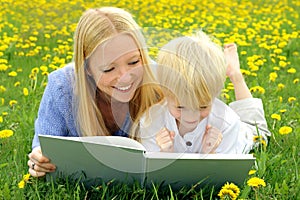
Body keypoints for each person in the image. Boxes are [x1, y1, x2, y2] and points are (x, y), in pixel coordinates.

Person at [27, 7, 163, 177]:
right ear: (87, 68)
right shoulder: (62, 87)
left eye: (134, 62)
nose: (125, 77)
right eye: (109, 69)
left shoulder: (159, 79)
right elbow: (44, 145)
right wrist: (39, 160)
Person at [140, 31, 271, 153]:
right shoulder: (151, 120)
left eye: (202, 106)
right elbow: (152, 169)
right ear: (165, 93)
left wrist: (211, 153)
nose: (190, 117)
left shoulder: (227, 122)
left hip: (244, 134)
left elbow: (224, 170)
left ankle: (235, 75)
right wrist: (165, 154)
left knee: (257, 132)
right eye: (180, 107)